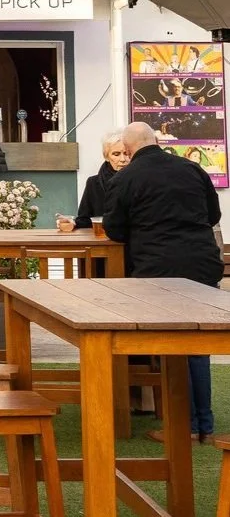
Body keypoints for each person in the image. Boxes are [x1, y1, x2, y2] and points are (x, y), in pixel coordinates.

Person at [104, 122, 222, 440]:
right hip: (202, 262)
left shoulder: (126, 178)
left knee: (172, 344)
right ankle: (202, 425)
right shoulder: (192, 168)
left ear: (128, 149)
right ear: (155, 140)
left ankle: (182, 426)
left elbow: (114, 229)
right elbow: (213, 216)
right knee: (197, 347)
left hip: (158, 268)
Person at [56, 131, 129, 233]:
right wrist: (72, 222)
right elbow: (85, 219)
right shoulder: (94, 183)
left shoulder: (141, 180)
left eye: (127, 154)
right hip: (103, 242)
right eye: (116, 154)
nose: (123, 159)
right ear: (106, 157)